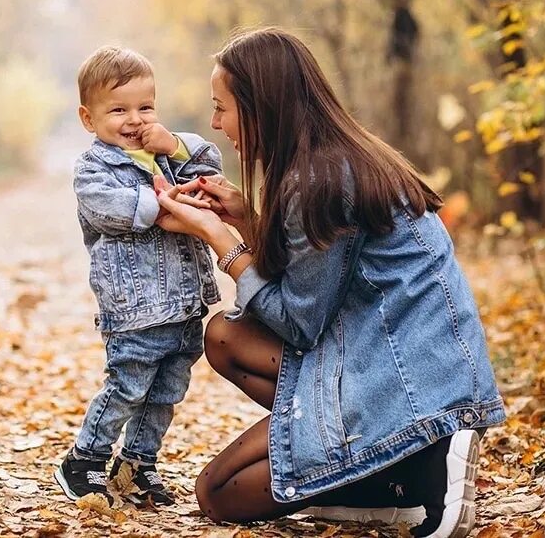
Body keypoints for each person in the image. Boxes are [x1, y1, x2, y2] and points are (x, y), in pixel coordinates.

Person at [153, 27, 505, 538]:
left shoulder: (319, 180)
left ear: (261, 107)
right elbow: (318, 274)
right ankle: (388, 482)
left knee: (219, 493)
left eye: (221, 107)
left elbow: (299, 323)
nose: (214, 123)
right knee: (224, 336)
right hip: (374, 353)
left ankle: (429, 453)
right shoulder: (333, 159)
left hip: (407, 379)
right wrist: (246, 218)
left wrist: (218, 239)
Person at [55, 46, 224, 507]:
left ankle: (137, 465)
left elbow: (211, 170)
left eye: (144, 107)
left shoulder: (164, 153)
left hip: (186, 304)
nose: (134, 119)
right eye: (118, 110)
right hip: (134, 309)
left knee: (166, 392)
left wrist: (173, 145)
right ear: (89, 119)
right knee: (128, 387)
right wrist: (169, 207)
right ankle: (84, 458)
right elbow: (115, 210)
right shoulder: (93, 169)